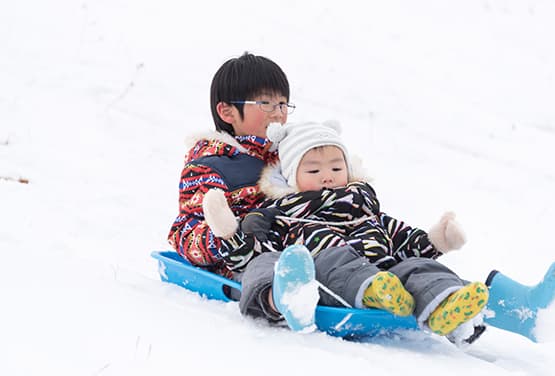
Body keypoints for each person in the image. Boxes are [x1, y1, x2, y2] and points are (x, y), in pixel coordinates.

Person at [204, 120, 489, 343]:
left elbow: (402, 239)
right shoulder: (284, 215)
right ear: (292, 178)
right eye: (313, 171)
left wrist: (435, 240)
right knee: (333, 259)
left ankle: (446, 306)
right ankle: (373, 291)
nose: (327, 176)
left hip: (387, 275)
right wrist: (232, 236)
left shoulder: (365, 207)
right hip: (330, 276)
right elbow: (257, 257)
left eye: (336, 167)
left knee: (419, 267)